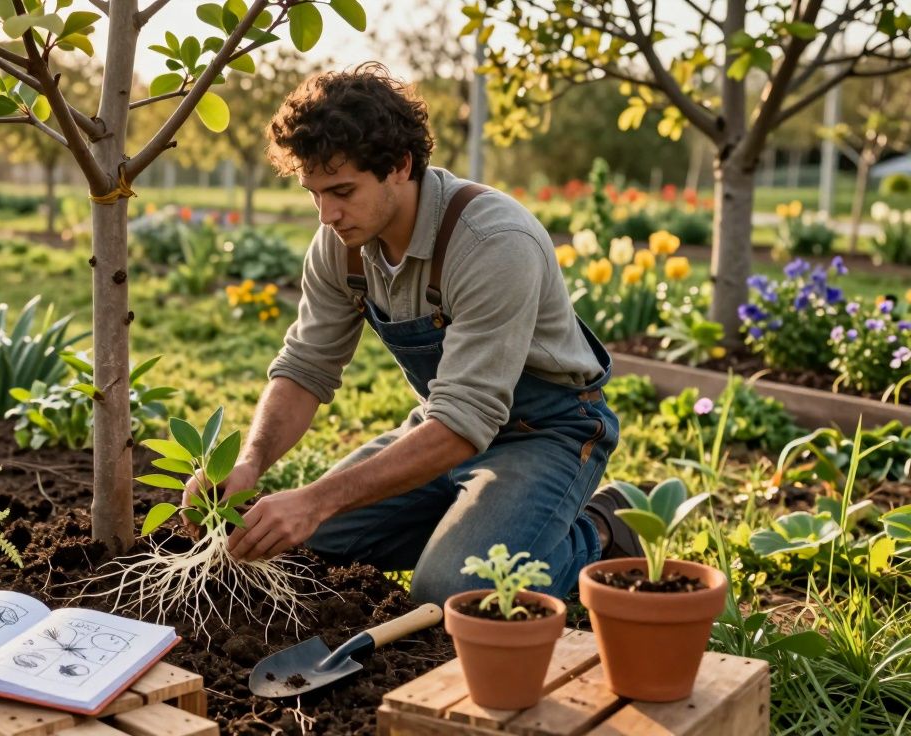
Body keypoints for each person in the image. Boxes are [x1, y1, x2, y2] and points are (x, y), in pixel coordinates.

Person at [188, 64, 636, 605]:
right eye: (314, 193)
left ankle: (602, 528)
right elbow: (306, 367)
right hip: (439, 430)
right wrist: (249, 462)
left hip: (544, 433)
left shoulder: (493, 241)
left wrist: (315, 499)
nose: (327, 214)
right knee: (313, 543)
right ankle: (484, 526)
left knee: (453, 591)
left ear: (401, 165)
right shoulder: (341, 245)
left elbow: (465, 417)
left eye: (342, 190)